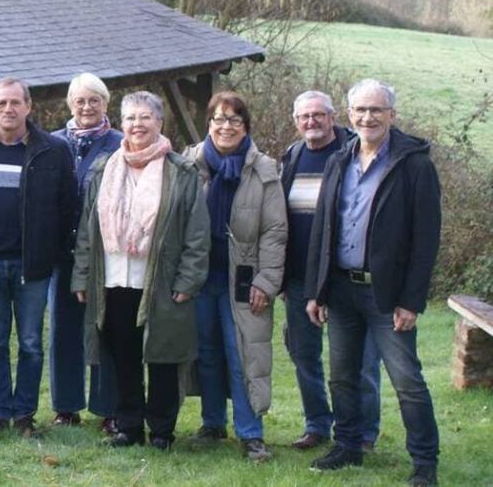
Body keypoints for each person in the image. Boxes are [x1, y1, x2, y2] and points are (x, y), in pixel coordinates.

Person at [305, 79, 441, 487]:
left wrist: (411, 301)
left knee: (407, 381)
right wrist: (317, 289)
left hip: (388, 295)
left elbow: (426, 239)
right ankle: (348, 446)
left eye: (376, 110)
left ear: (392, 116)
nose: (368, 117)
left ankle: (424, 462)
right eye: (361, 110)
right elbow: (323, 230)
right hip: (343, 290)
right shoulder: (339, 161)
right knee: (342, 375)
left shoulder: (414, 164)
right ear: (349, 116)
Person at [72, 91, 209, 451]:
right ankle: (128, 426)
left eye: (145, 117)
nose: (137, 125)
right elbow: (89, 229)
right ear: (122, 124)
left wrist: (188, 281)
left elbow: (197, 232)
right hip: (113, 280)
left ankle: (162, 430)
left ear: (160, 123)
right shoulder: (105, 169)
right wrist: (82, 275)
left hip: (161, 281)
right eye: (130, 118)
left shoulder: (181, 172)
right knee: (122, 356)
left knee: (162, 356)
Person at [0, 78, 77, 438]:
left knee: (29, 342)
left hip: (33, 265)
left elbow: (68, 208)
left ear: (29, 107)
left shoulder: (52, 151)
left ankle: (24, 414)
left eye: (16, 103)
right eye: (1, 103)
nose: (8, 109)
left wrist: (53, 253)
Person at [185, 92, 287, 462]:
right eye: (218, 119)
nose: (225, 126)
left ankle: (251, 434)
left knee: (243, 354)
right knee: (207, 354)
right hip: (200, 279)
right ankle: (213, 424)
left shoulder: (264, 170)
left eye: (234, 120)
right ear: (208, 123)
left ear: (245, 127)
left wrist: (266, 281)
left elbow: (275, 232)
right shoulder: (189, 164)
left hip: (243, 280)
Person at [280, 90, 382, 451]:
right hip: (299, 279)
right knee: (304, 355)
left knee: (361, 363)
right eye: (304, 117)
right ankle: (317, 424)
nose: (312, 122)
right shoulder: (291, 156)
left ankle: (364, 432)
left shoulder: (354, 154)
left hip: (341, 278)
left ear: (333, 116)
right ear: (296, 121)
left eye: (318, 115)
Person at [49, 72, 123, 431]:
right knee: (63, 331)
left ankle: (108, 408)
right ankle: (66, 406)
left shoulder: (120, 144)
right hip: (62, 251)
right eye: (80, 100)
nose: (87, 106)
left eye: (95, 100)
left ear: (106, 105)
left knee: (106, 328)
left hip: (105, 252)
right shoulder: (52, 144)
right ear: (69, 104)